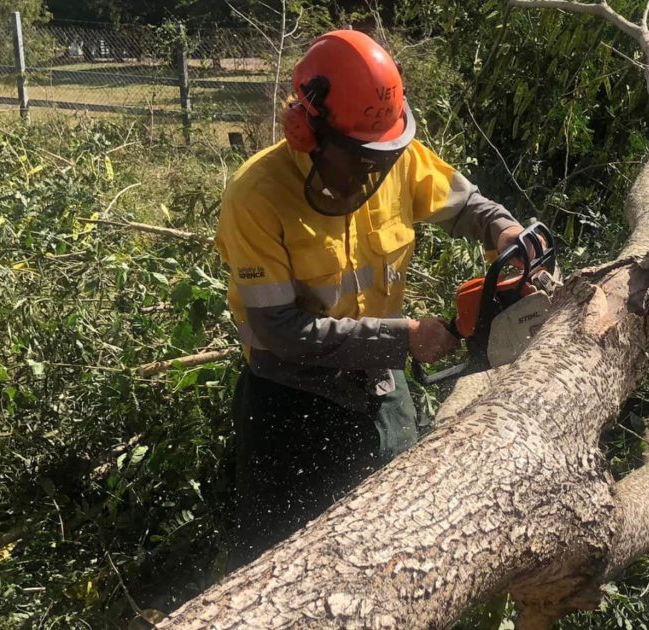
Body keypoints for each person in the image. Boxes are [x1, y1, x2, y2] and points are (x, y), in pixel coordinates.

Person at [214, 29, 526, 568]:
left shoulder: (391, 154)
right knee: (280, 565)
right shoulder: (256, 195)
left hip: (381, 385)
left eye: (382, 155)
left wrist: (505, 231)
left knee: (395, 547)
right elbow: (278, 330)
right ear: (305, 132)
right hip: (292, 400)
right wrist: (403, 337)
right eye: (360, 157)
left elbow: (464, 203)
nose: (374, 171)